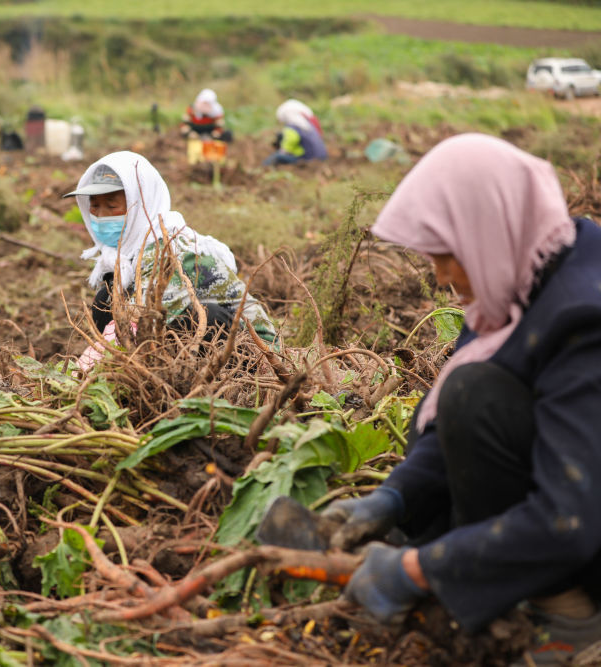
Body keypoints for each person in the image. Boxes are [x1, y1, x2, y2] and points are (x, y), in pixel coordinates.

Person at [319, 134, 601, 664]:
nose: (442, 277)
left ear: (489, 232)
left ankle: (569, 614)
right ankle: (480, 571)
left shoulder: (586, 319)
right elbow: (456, 425)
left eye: (450, 257)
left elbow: (569, 518)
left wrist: (420, 570)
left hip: (584, 526)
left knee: (474, 396)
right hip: (570, 502)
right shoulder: (525, 268)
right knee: (451, 403)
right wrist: (394, 498)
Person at [64, 151, 276, 371]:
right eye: (95, 206)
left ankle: (211, 382)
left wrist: (84, 370)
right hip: (182, 337)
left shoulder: (172, 247)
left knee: (207, 316)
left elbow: (143, 321)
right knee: (106, 299)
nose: (101, 215)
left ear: (140, 202)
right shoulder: (126, 254)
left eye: (111, 205)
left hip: (255, 351)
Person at [262, 99, 327, 166]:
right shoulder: (308, 125)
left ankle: (263, 167)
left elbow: (292, 140)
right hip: (321, 157)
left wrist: (282, 151)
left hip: (308, 159)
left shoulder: (292, 127)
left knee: (276, 157)